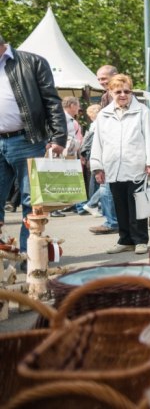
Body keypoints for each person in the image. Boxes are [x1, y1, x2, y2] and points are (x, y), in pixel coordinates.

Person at [0, 33, 67, 261]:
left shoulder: (31, 62)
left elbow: (51, 101)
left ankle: (30, 258)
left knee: (32, 203)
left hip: (27, 140)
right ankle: (4, 257)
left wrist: (58, 137)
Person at [90, 74, 150, 255]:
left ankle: (140, 240)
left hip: (137, 165)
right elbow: (97, 142)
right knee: (119, 204)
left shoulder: (142, 111)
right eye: (118, 91)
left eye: (126, 91)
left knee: (137, 204)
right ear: (110, 92)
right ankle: (125, 239)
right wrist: (97, 166)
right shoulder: (103, 115)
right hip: (112, 166)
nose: (123, 95)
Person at [87, 66, 120, 235]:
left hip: (119, 149)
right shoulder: (106, 96)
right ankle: (114, 221)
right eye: (99, 79)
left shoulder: (120, 93)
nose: (101, 82)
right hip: (109, 148)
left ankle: (113, 222)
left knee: (108, 187)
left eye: (104, 78)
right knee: (107, 187)